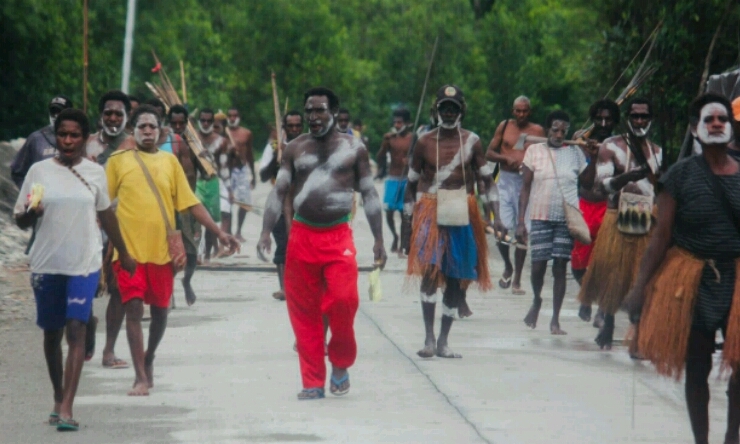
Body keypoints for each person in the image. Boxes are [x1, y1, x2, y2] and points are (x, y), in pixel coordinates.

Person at [624, 94, 740, 444]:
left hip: (736, 279)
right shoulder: (679, 176)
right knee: (698, 365)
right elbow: (660, 237)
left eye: (723, 119)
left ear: (732, 128)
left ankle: (733, 436)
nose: (717, 123)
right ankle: (701, 440)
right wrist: (640, 288)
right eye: (709, 119)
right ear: (696, 129)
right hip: (690, 280)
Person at [258, 87, 386, 400]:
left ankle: (340, 363)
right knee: (304, 313)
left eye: (320, 110)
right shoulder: (294, 148)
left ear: (334, 113)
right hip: (302, 236)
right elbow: (278, 192)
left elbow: (369, 193)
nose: (313, 117)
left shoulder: (354, 148)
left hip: (337, 235)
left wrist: (380, 239)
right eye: (309, 111)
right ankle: (313, 381)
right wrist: (265, 231)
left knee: (343, 300)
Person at [14, 109, 135, 431]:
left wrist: (124, 252)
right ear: (56, 136)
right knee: (52, 335)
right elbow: (21, 219)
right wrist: (31, 212)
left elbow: (106, 214)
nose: (68, 141)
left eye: (75, 135)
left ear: (85, 138)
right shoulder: (39, 171)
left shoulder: (95, 173)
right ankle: (57, 396)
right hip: (46, 264)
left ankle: (67, 407)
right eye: (63, 135)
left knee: (75, 329)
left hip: (84, 262)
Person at [106, 105, 239, 396]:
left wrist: (219, 232)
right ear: (133, 131)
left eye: (153, 127)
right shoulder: (117, 161)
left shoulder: (169, 162)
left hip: (162, 253)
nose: (148, 132)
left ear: (161, 130)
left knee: (161, 312)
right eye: (142, 127)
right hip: (128, 253)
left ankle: (149, 356)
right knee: (134, 308)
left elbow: (190, 203)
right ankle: (140, 375)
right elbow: (103, 204)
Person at [404, 84, 502, 358]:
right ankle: (428, 339)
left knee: (456, 277)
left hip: (462, 209)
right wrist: (406, 225)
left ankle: (444, 341)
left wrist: (496, 215)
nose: (448, 113)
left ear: (461, 111)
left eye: (453, 109)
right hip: (430, 210)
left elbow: (486, 182)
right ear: (435, 110)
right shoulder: (424, 141)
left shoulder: (472, 141)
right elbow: (410, 186)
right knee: (429, 274)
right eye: (444, 108)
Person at [577, 98, 662, 349]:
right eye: (635, 116)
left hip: (644, 217)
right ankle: (609, 322)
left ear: (650, 119)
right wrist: (627, 177)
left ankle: (638, 330)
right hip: (616, 215)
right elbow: (601, 186)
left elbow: (658, 188)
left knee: (641, 276)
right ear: (628, 118)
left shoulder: (657, 151)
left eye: (643, 116)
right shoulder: (610, 146)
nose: (639, 121)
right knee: (613, 273)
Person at [516, 110, 598, 335]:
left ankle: (555, 320)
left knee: (560, 266)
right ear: (547, 130)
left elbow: (588, 184)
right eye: (555, 130)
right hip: (540, 216)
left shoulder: (575, 153)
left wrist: (591, 157)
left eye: (564, 131)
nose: (560, 134)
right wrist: (520, 222)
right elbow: (525, 188)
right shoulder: (534, 150)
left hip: (565, 219)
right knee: (538, 266)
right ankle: (536, 299)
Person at [86, 91, 136, 370]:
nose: (113, 118)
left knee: (118, 289)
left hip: (121, 223)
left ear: (127, 117)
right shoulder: (87, 144)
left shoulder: (134, 146)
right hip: (89, 224)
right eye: (108, 113)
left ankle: (109, 350)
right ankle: (88, 322)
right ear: (100, 115)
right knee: (88, 285)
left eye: (118, 113)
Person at [485, 96, 546, 295]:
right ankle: (508, 265)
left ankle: (517, 279)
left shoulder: (537, 131)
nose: (521, 114)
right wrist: (506, 158)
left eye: (524, 111)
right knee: (501, 227)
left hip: (527, 184)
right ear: (513, 111)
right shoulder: (504, 127)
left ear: (530, 111)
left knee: (523, 231)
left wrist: (532, 167)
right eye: (517, 111)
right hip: (505, 181)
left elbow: (545, 157)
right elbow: (489, 153)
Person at [571, 99, 620, 326]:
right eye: (599, 118)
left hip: (607, 208)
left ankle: (600, 308)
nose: (603, 123)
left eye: (608, 119)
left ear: (615, 121)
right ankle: (587, 295)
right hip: (583, 206)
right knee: (578, 263)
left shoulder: (619, 145)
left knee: (605, 260)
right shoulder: (581, 140)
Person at [258, 110, 304, 301]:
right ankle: (284, 288)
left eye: (297, 126)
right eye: (290, 126)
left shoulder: (310, 145)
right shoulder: (274, 147)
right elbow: (263, 176)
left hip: (303, 202)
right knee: (284, 244)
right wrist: (279, 159)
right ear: (283, 128)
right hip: (280, 201)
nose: (294, 129)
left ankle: (302, 286)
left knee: (303, 247)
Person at [169, 105, 206, 306]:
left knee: (191, 251)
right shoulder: (164, 145)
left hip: (189, 204)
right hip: (169, 205)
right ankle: (169, 291)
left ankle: (187, 281)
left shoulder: (194, 144)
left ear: (186, 123)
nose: (177, 126)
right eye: (173, 123)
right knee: (169, 250)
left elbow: (207, 172)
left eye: (181, 123)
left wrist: (206, 158)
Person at [11, 95, 74, 187]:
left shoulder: (79, 138)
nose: (56, 115)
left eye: (60, 112)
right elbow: (17, 172)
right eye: (53, 111)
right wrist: (29, 193)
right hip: (42, 198)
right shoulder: (36, 139)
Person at [376, 108, 414, 255]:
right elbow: (380, 157)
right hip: (392, 178)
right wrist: (384, 144)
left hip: (407, 178)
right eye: (395, 122)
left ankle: (404, 243)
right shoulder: (390, 138)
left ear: (407, 123)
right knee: (389, 211)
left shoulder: (413, 138)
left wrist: (410, 161)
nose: (397, 125)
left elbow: (418, 158)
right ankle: (395, 236)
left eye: (400, 122)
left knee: (404, 212)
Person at [195, 108, 228, 262]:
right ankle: (197, 254)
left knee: (211, 222)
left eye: (209, 121)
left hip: (213, 182)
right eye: (203, 120)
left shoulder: (220, 141)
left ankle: (207, 254)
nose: (206, 123)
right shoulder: (192, 138)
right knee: (195, 218)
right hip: (196, 181)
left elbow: (223, 166)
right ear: (199, 121)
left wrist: (227, 188)